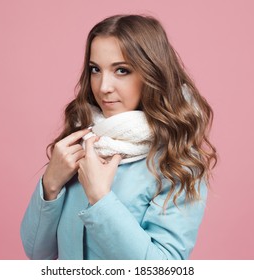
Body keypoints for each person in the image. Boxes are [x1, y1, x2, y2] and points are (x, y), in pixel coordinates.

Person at [20, 14, 217, 260]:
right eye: (95, 70)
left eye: (121, 70)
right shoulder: (82, 140)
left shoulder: (177, 161)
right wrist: (50, 185)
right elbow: (37, 253)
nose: (103, 87)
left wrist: (101, 198)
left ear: (152, 74)